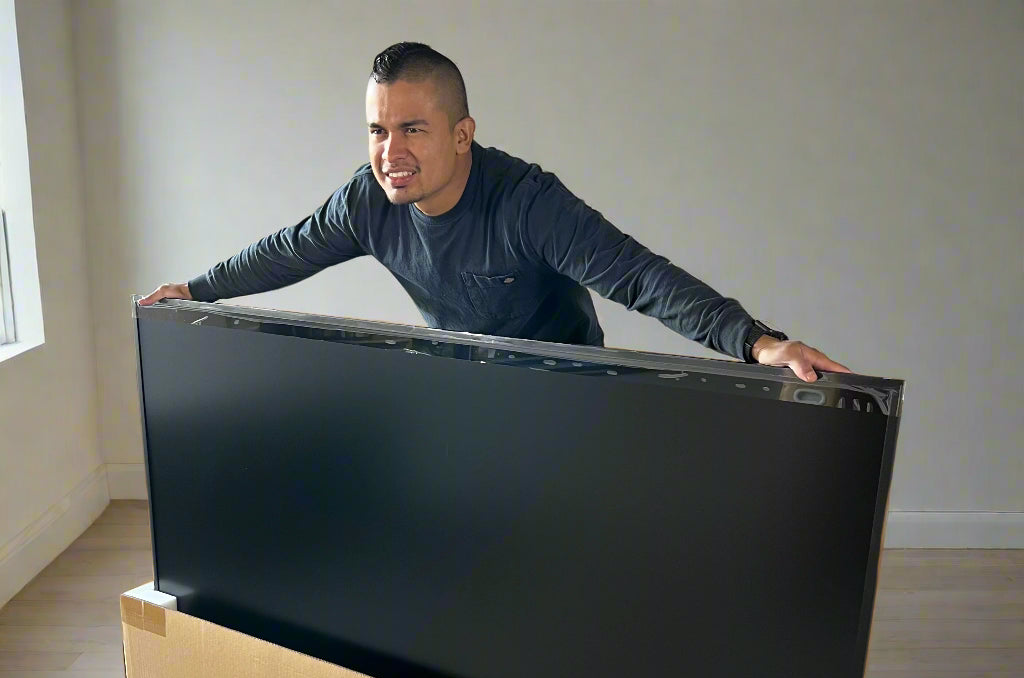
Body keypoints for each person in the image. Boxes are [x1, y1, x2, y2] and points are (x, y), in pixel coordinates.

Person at [141, 41, 849, 384]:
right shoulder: (368, 202)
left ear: (462, 135)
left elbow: (640, 278)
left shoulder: (527, 204)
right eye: (377, 130)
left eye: (412, 129)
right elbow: (286, 249)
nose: (390, 152)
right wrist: (197, 291)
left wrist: (760, 343)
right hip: (468, 383)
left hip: (566, 389)